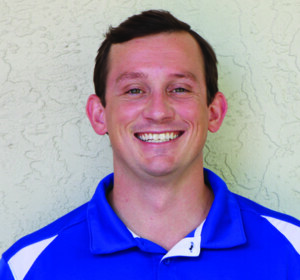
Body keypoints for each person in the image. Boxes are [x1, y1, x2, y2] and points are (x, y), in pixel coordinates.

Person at [1, 9, 299, 280]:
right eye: (134, 90)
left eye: (180, 88)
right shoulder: (26, 268)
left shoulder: (292, 252)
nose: (158, 111)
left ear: (214, 112)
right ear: (99, 115)